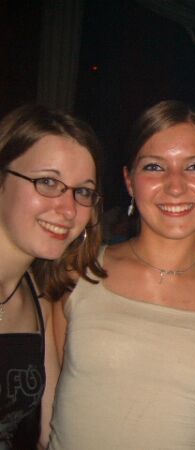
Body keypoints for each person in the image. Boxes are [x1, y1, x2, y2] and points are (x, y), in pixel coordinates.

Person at [49, 100, 195, 449]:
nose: (175, 186)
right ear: (129, 181)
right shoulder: (79, 272)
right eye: (155, 167)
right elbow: (44, 412)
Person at [0, 104, 104, 449]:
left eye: (83, 191)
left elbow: (50, 433)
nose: (69, 209)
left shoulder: (38, 300)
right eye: (47, 182)